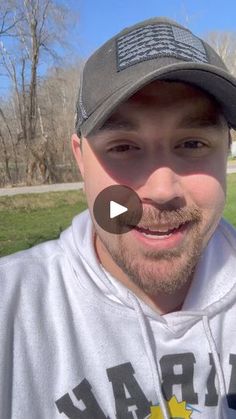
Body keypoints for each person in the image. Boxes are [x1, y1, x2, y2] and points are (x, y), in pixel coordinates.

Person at [0, 16, 236, 419]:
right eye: (123, 147)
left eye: (193, 143)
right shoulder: (13, 311)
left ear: (226, 151)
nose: (162, 190)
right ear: (79, 159)